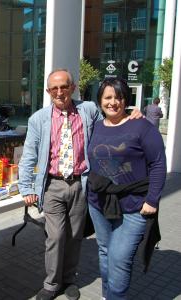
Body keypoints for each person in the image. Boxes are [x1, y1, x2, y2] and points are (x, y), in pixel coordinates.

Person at [18, 69, 141, 300]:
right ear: (48, 92)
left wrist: (132, 114)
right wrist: (26, 189)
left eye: (64, 86)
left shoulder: (88, 110)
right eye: (54, 88)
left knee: (75, 235)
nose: (59, 92)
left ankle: (69, 280)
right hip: (52, 185)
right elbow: (29, 156)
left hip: (81, 184)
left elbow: (111, 120)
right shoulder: (38, 119)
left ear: (72, 88)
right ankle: (52, 284)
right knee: (55, 236)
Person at [87, 78, 166, 300]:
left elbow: (158, 163)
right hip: (99, 203)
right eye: (108, 97)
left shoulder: (142, 126)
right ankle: (106, 295)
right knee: (105, 252)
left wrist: (153, 200)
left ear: (126, 100)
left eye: (118, 97)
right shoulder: (95, 126)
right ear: (100, 100)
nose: (113, 102)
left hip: (135, 205)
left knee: (119, 258)